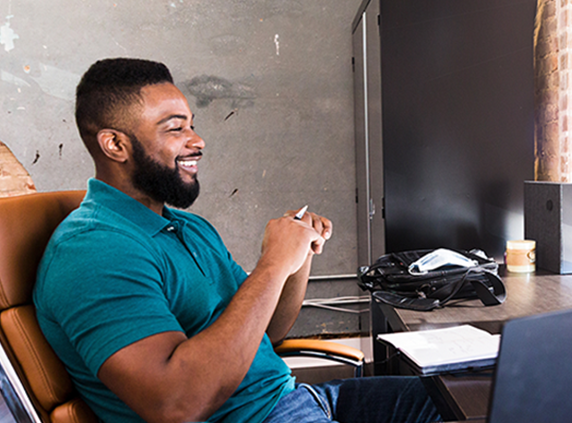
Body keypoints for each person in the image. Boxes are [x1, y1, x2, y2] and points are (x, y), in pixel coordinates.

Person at [33, 58, 440, 423]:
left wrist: (296, 255)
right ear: (115, 144)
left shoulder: (187, 228)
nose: (197, 140)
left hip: (294, 398)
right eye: (175, 128)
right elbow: (176, 404)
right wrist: (273, 264)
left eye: (192, 124)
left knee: (465, 397)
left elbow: (270, 331)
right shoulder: (92, 251)